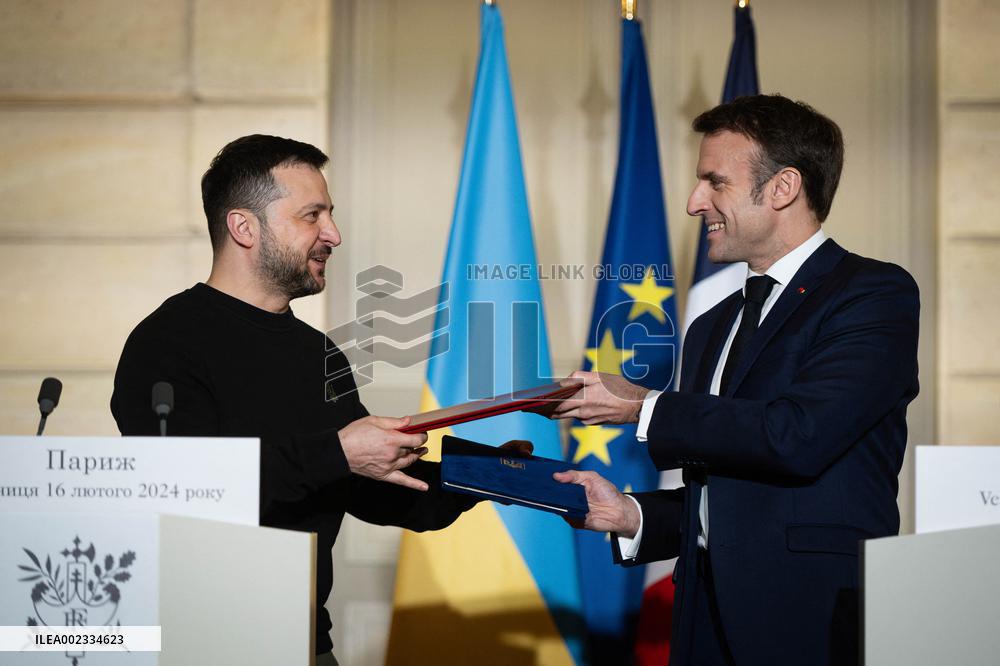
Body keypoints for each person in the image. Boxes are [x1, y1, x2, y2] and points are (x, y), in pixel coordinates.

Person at [111, 135, 527, 663]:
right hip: (200, 643)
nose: (333, 233)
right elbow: (185, 492)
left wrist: (494, 473)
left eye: (329, 214)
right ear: (244, 227)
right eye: (312, 215)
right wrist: (337, 452)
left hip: (306, 641)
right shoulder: (167, 343)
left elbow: (375, 490)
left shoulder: (318, 352)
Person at [547, 95, 919, 665]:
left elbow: (797, 437)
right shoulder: (711, 325)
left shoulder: (872, 295)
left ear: (782, 188)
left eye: (714, 182)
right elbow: (728, 492)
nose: (696, 203)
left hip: (809, 625)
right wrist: (632, 515)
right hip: (703, 622)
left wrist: (642, 407)